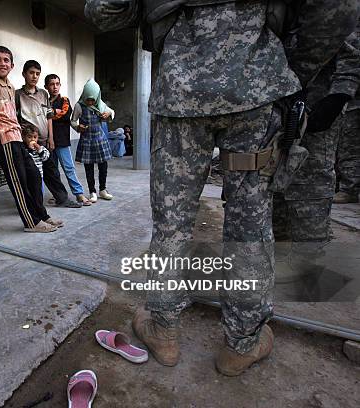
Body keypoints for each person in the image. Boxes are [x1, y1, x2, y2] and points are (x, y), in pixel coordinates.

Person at [86, 0, 358, 376]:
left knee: (171, 224)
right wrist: (284, 69)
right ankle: (241, 344)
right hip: (255, 94)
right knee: (250, 224)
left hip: (180, 95)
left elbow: (103, 10)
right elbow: (339, 8)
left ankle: (163, 329)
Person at [273, 17, 359, 282]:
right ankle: (280, 248)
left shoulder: (332, 10)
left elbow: (351, 54)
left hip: (315, 105)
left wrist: (338, 96)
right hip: (275, 104)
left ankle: (307, 261)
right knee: (272, 179)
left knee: (311, 181)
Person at [0, 46, 62, 233]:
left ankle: (42, 215)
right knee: (18, 181)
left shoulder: (9, 86)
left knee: (33, 174)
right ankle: (31, 222)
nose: (2, 63)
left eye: (6, 60)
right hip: (4, 139)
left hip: (16, 138)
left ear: (12, 65)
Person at [15, 60, 82, 209]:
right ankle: (33, 204)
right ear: (24, 74)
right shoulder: (18, 95)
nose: (34, 76)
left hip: (45, 140)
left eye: (37, 74)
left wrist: (51, 138)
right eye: (31, 73)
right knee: (32, 174)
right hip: (28, 143)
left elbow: (49, 116)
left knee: (51, 171)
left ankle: (62, 199)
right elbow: (15, 118)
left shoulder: (43, 94)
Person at [44, 73, 91, 206]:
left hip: (62, 140)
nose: (55, 87)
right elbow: (42, 116)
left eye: (57, 84)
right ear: (46, 86)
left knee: (69, 168)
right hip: (48, 141)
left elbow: (65, 114)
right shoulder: (44, 101)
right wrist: (52, 112)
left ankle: (79, 194)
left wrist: (50, 113)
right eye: (52, 84)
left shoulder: (64, 101)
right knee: (53, 171)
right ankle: (58, 194)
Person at [71, 79, 114, 203]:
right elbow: (73, 121)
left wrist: (108, 114)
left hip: (100, 139)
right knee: (88, 167)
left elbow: (112, 112)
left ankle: (103, 190)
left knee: (103, 166)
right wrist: (78, 127)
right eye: (88, 99)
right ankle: (92, 191)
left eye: (92, 100)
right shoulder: (79, 106)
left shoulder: (100, 104)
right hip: (87, 140)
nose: (90, 102)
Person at [334, 95, 360, 204]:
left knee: (350, 148)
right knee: (346, 147)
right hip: (348, 102)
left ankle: (349, 190)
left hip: (353, 103)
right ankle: (347, 189)